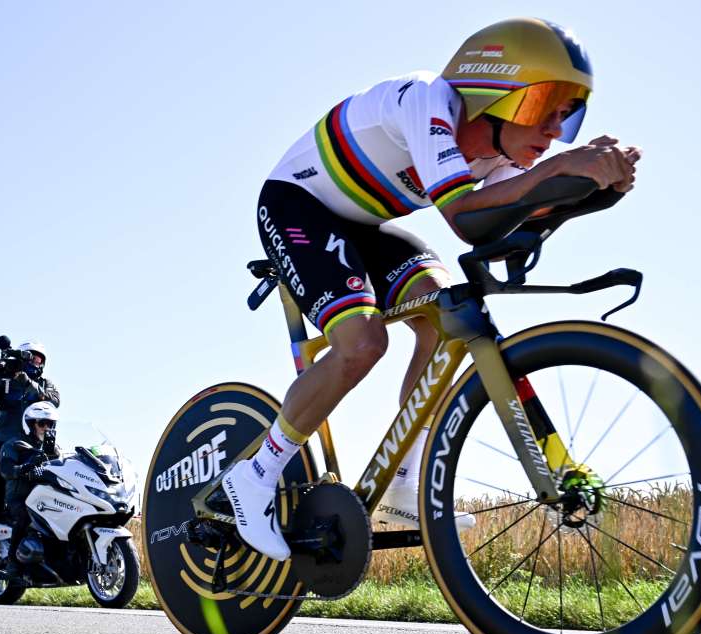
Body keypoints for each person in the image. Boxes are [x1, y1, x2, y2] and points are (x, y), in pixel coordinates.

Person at [222, 18, 640, 560]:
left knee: (446, 318)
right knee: (364, 343)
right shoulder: (429, 103)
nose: (556, 131)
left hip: (366, 224)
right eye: (545, 109)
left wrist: (591, 191)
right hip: (298, 206)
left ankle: (403, 482)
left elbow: (507, 225)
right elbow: (466, 219)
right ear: (494, 92)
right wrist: (562, 168)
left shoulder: (501, 155)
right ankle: (254, 475)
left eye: (567, 114)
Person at [0, 340, 60, 563]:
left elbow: (54, 402)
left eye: (38, 358)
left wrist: (26, 381)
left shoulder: (45, 383)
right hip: (5, 448)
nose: (33, 361)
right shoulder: (6, 379)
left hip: (37, 448)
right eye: (29, 356)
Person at [0, 401, 62, 568]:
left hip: (44, 496)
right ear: (30, 424)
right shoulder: (14, 444)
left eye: (50, 424)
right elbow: (6, 470)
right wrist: (26, 467)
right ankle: (13, 563)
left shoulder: (54, 449)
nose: (46, 427)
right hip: (19, 497)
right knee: (24, 516)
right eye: (42, 423)